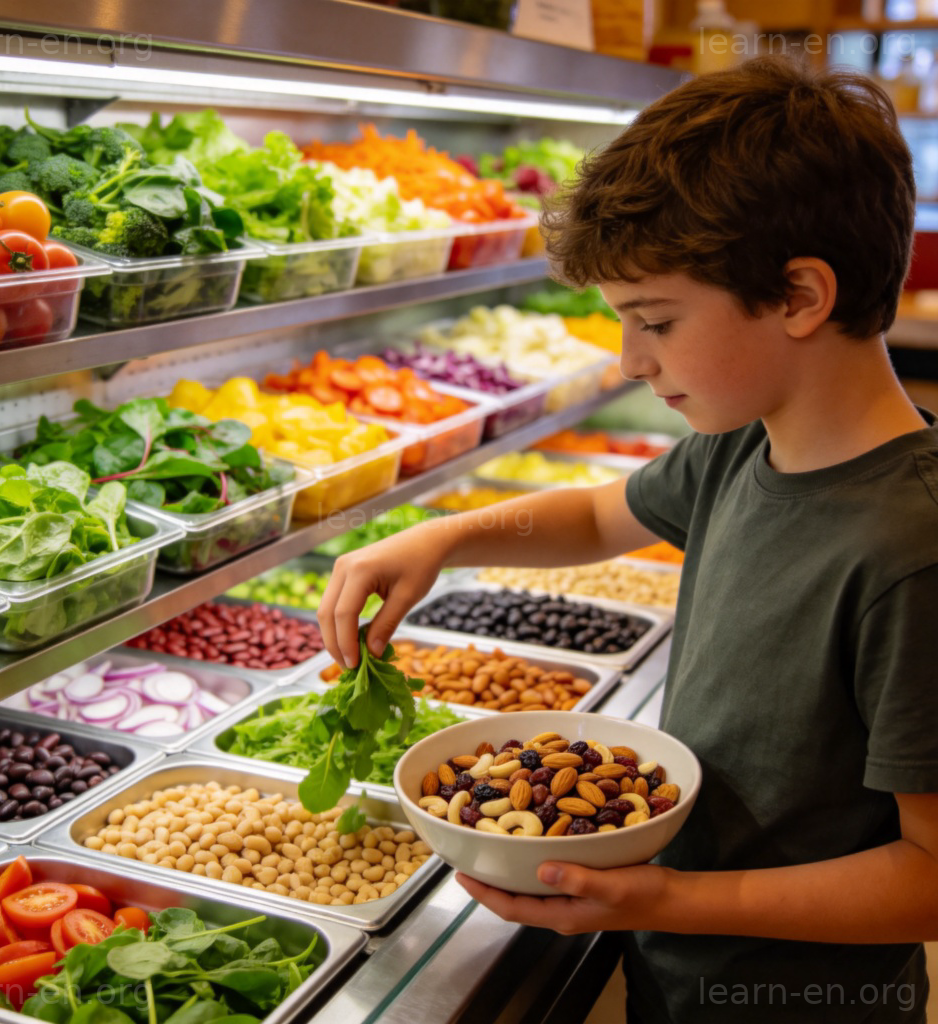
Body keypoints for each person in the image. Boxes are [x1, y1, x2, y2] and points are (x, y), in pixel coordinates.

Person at [317, 55, 938, 1023]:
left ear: (799, 297)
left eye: (653, 321)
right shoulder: (742, 446)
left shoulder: (910, 551)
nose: (629, 359)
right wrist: (446, 535)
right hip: (676, 982)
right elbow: (602, 515)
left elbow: (928, 877)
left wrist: (667, 898)